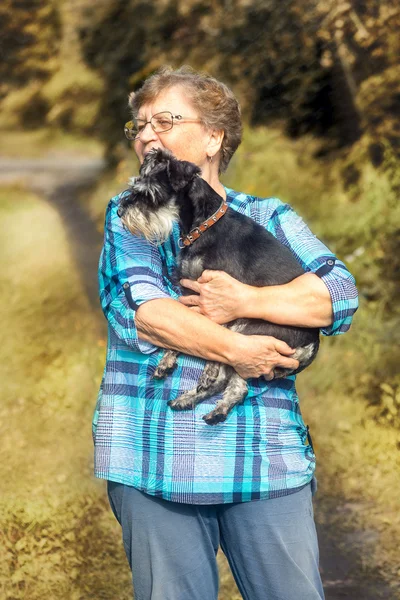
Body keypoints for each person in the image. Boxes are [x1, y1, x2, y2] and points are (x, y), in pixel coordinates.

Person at [93, 65, 359, 600]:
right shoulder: (132, 217)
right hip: (152, 461)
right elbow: (147, 314)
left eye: (164, 121)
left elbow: (338, 297)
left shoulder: (269, 216)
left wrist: (246, 300)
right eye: (138, 125)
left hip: (264, 457)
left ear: (214, 137)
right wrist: (241, 349)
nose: (146, 134)